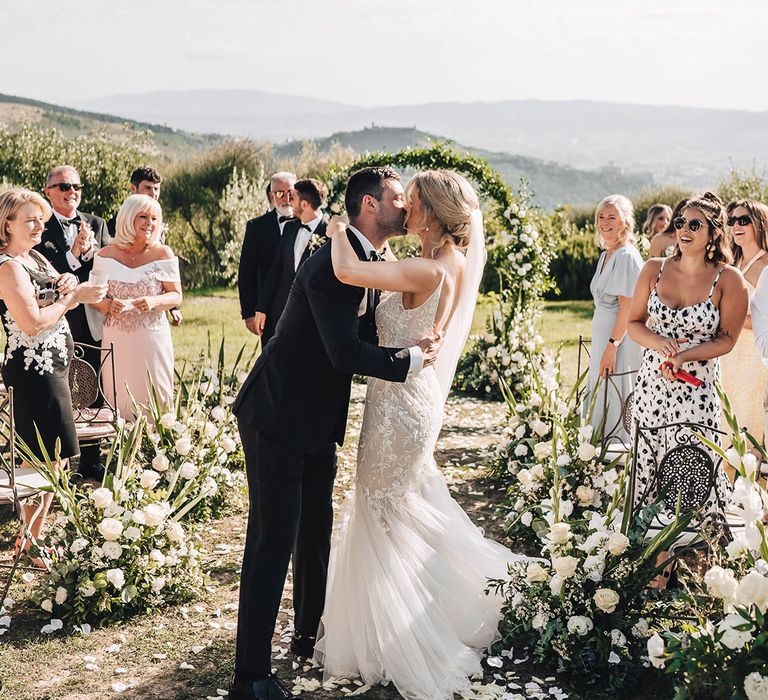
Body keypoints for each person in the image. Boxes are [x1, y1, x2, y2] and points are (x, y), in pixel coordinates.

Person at [229, 167, 442, 700]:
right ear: (370, 205)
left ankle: (307, 634)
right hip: (276, 415)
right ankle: (251, 674)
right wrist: (413, 360)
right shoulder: (332, 263)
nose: (405, 207)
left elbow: (363, 332)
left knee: (315, 529)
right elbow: (343, 353)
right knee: (272, 538)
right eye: (397, 198)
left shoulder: (369, 261)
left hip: (318, 421)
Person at [314, 170, 525, 700]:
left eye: (412, 202)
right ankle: (427, 610)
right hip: (412, 396)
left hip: (397, 406)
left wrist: (336, 226)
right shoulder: (448, 263)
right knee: (397, 506)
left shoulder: (425, 268)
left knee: (381, 506)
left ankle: (396, 637)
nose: (403, 207)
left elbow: (345, 270)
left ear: (429, 212)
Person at [628, 192, 747, 522]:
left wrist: (686, 356)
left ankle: (692, 551)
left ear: (713, 233)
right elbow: (634, 324)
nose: (685, 229)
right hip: (652, 384)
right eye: (680, 221)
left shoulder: (729, 279)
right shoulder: (653, 269)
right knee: (648, 461)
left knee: (690, 463)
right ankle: (646, 549)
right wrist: (659, 343)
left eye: (695, 224)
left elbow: (727, 339)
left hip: (698, 388)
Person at [0, 189, 106, 560]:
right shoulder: (8, 267)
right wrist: (72, 299)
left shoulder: (35, 258)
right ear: (7, 224)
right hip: (32, 373)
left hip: (54, 367)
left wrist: (68, 283)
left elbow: (58, 287)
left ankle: (31, 541)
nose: (38, 226)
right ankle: (27, 543)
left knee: (57, 460)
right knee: (41, 461)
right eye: (30, 220)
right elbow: (30, 322)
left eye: (41, 220)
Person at [36, 165, 110, 480]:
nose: (72, 191)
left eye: (76, 185)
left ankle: (93, 457)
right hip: (55, 318)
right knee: (62, 388)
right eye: (64, 186)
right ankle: (62, 461)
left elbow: (109, 267)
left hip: (93, 318)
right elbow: (40, 273)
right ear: (48, 192)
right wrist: (75, 256)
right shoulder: (37, 225)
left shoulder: (97, 223)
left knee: (93, 385)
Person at [90, 195, 182, 421]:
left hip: (152, 338)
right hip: (116, 339)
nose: (149, 223)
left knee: (155, 395)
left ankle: (157, 450)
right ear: (128, 218)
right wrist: (110, 305)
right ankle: (121, 450)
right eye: (143, 217)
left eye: (154, 218)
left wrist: (154, 302)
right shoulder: (104, 255)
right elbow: (93, 298)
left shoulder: (163, 254)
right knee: (119, 394)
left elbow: (176, 296)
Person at [584, 195, 643, 444]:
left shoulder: (626, 256)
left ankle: (615, 453)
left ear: (625, 222)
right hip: (603, 339)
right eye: (601, 217)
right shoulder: (607, 254)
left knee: (616, 393)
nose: (604, 222)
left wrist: (612, 346)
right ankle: (595, 448)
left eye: (611, 217)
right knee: (601, 391)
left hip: (619, 341)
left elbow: (628, 308)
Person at [252, 178, 328, 342]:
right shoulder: (290, 228)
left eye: (292, 198)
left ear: (305, 204)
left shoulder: (331, 233)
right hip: (281, 313)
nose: (288, 202)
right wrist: (261, 309)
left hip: (314, 319)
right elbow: (275, 271)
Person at [106, 166, 181, 327]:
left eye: (156, 189)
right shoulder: (116, 224)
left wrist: (173, 307)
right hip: (121, 312)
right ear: (134, 189)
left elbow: (164, 272)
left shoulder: (155, 223)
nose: (153, 193)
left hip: (153, 309)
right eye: (147, 188)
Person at [726, 200, 768, 442]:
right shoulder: (733, 261)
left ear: (760, 224)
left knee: (747, 428)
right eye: (732, 221)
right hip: (729, 351)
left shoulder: (766, 267)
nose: (736, 226)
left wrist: (729, 316)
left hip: (754, 358)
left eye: (744, 220)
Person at [238, 171, 296, 341]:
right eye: (280, 193)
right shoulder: (256, 227)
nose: (286, 199)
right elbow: (246, 273)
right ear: (272, 196)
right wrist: (249, 313)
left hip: (305, 308)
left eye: (290, 193)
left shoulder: (307, 224)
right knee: (272, 360)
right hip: (269, 310)